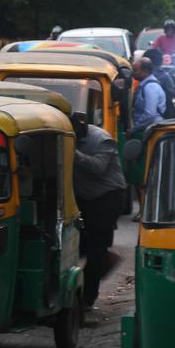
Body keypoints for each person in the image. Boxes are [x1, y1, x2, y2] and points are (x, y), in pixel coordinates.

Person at [73, 122, 127, 309]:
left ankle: (88, 299)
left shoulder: (102, 139)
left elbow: (98, 167)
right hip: (82, 197)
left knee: (96, 249)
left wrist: (72, 152)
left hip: (105, 198)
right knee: (77, 244)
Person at [131, 57, 165, 134]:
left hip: (151, 131)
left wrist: (135, 128)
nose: (133, 73)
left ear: (145, 71)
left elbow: (150, 114)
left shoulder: (150, 87)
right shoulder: (145, 85)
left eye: (135, 70)